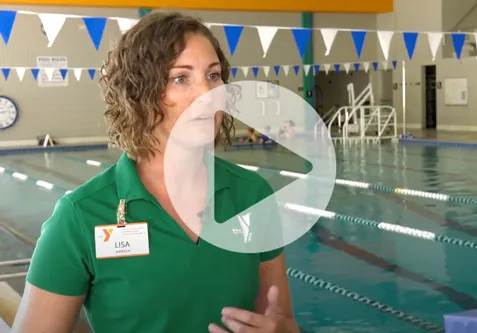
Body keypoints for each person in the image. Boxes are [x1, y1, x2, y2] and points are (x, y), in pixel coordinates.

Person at [12, 11, 299, 333]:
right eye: (181, 78)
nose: (208, 94)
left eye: (214, 75)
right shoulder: (81, 215)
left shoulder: (251, 194)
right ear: (138, 94)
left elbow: (280, 320)